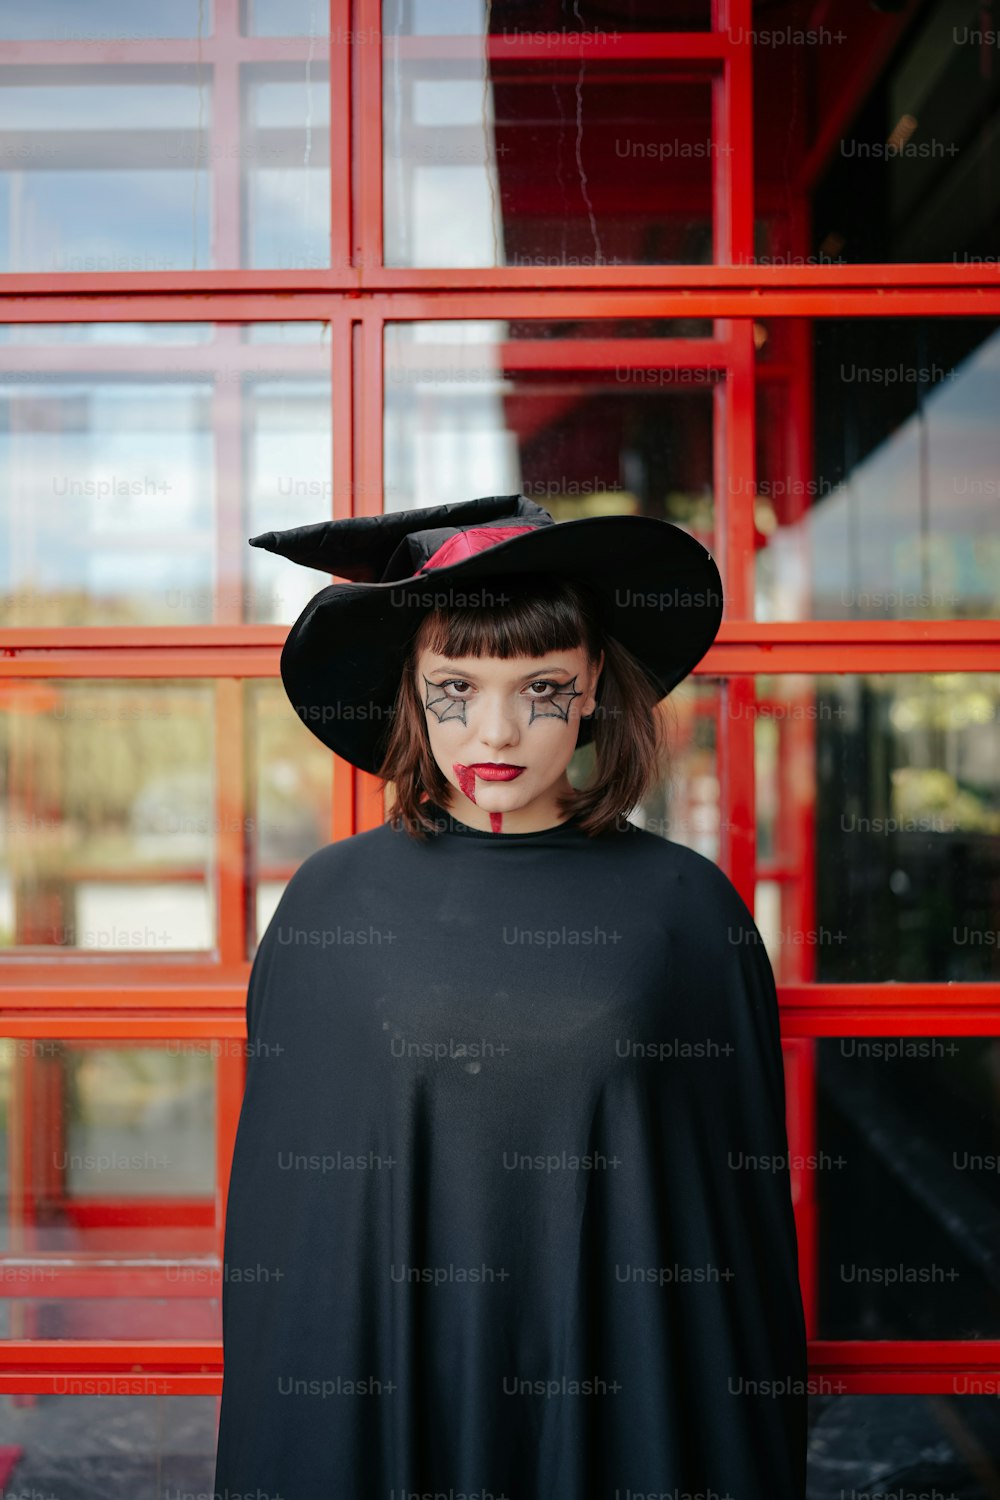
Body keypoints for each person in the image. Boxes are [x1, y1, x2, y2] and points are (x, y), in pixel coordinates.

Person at [213, 494, 808, 1500]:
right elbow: (291, 1231)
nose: (495, 730)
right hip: (392, 1399)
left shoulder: (682, 907)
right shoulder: (329, 903)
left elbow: (732, 1224)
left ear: (590, 698)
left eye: (540, 687)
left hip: (618, 1411)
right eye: (455, 687)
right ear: (412, 690)